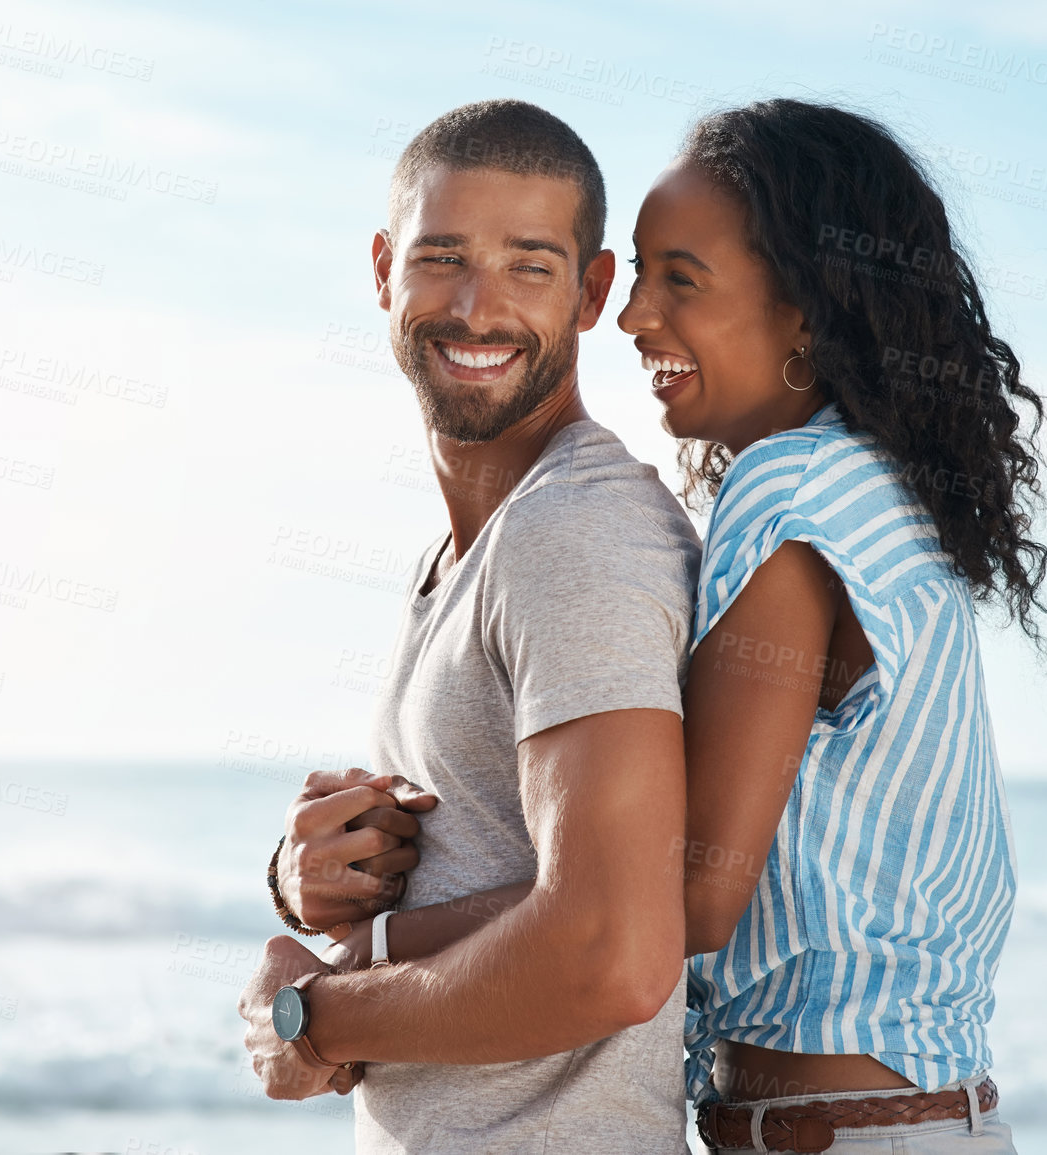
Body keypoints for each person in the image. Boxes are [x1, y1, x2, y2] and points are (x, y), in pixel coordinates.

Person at [282, 98, 1047, 1153]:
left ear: (807, 313)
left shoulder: (786, 498)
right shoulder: (861, 494)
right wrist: (321, 881)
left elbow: (665, 904)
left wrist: (347, 976)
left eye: (678, 280)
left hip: (841, 1132)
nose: (638, 316)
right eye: (640, 276)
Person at [236, 98, 704, 1153]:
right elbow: (490, 857)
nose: (478, 308)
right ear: (381, 271)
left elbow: (612, 951)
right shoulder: (466, 555)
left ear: (591, 294)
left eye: (529, 266)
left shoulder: (577, 532)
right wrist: (312, 875)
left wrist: (313, 1012)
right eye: (442, 258)